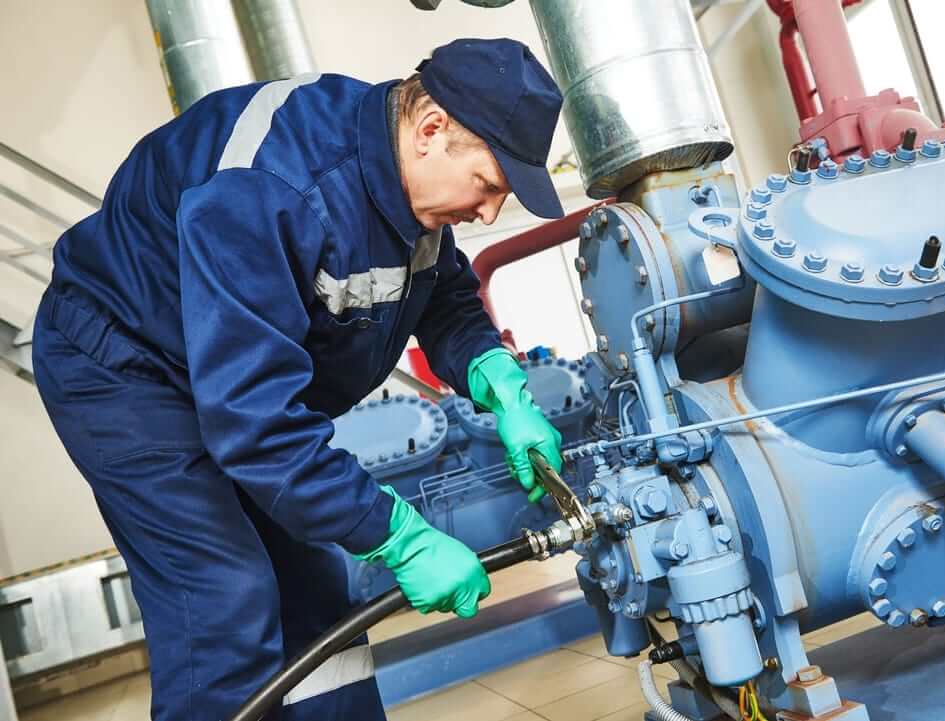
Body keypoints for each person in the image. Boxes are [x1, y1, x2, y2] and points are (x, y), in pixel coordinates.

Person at [32, 37, 566, 721]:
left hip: (222, 379)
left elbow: (444, 296)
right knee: (223, 594)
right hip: (123, 366)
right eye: (489, 185)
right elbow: (253, 422)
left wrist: (501, 382)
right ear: (431, 130)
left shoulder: (410, 193)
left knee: (315, 589)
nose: (490, 212)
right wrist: (399, 534)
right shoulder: (273, 187)